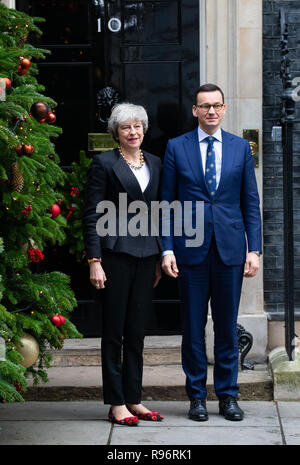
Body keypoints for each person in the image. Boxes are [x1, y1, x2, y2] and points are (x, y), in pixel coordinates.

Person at [161, 83, 262, 422]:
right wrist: (167, 249)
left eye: (216, 105)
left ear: (223, 109)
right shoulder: (177, 147)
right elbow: (166, 205)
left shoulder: (240, 148)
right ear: (194, 110)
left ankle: (228, 397)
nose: (211, 112)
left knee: (225, 327)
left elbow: (250, 202)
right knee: (192, 328)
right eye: (204, 106)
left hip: (230, 251)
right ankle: (197, 397)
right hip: (189, 251)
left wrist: (255, 250)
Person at [83, 103, 163, 426]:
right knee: (114, 332)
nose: (133, 132)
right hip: (114, 255)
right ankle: (116, 404)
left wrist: (159, 256)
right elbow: (91, 215)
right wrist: (94, 260)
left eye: (138, 126)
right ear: (116, 132)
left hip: (146, 257)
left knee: (137, 332)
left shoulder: (155, 163)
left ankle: (134, 398)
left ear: (144, 129)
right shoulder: (103, 163)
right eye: (126, 127)